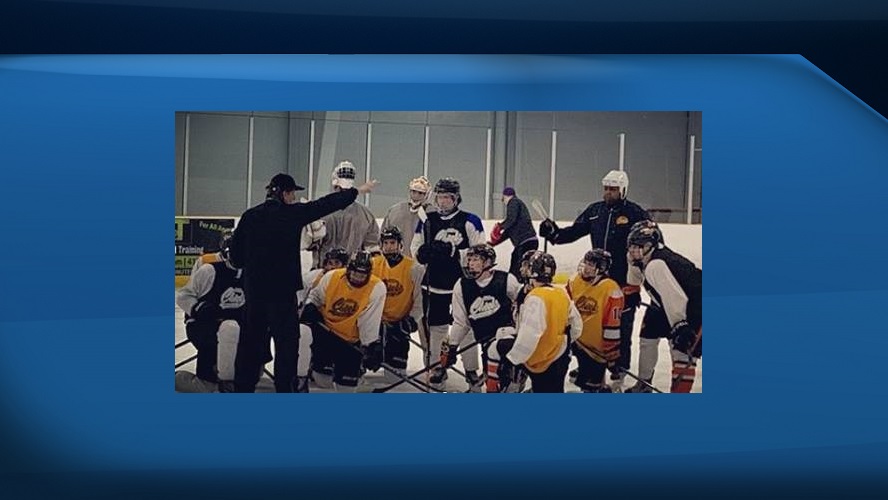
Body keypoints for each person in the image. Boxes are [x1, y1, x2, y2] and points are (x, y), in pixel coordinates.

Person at [229, 172, 377, 393]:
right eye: (293, 194)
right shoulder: (291, 214)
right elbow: (325, 204)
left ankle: (243, 389)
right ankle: (285, 391)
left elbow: (236, 257)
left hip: (255, 294)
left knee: (250, 343)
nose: (294, 199)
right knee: (286, 346)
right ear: (286, 194)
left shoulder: (249, 216)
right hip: (282, 294)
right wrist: (357, 191)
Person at [538, 169, 650, 391]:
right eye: (606, 188)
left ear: (623, 190)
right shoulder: (595, 211)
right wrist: (553, 233)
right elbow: (571, 233)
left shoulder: (636, 213)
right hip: (596, 279)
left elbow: (649, 244)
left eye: (613, 189)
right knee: (586, 322)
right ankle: (589, 364)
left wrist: (639, 276)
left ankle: (619, 366)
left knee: (622, 326)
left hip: (623, 280)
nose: (608, 193)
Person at [410, 177, 486, 389]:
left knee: (467, 327)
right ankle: (437, 367)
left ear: (456, 199)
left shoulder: (471, 220)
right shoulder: (427, 219)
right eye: (439, 197)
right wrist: (421, 254)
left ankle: (471, 370)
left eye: (447, 198)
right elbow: (415, 247)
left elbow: (481, 253)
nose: (442, 202)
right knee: (437, 328)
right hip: (433, 284)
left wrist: (454, 252)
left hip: (463, 286)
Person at [624, 220, 702, 393]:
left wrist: (680, 325)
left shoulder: (656, 264)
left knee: (682, 350)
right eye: (632, 246)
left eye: (639, 246)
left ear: (652, 245)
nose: (634, 250)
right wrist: (632, 291)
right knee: (647, 336)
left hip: (695, 308)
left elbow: (675, 297)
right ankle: (643, 383)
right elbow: (634, 273)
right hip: (663, 305)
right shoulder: (638, 258)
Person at [491, 252, 583, 393]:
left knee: (495, 348)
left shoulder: (535, 297)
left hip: (540, 358)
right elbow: (577, 327)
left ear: (532, 272)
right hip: (560, 355)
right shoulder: (561, 293)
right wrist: (559, 342)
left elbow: (530, 335)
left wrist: (512, 359)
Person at [300, 251, 387, 393]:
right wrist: (310, 307)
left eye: (362, 275)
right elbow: (315, 297)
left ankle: (355, 376)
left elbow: (369, 320)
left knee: (346, 389)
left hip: (350, 341)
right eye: (355, 273)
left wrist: (370, 346)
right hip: (326, 332)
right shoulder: (332, 277)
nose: (358, 278)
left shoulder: (376, 288)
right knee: (323, 382)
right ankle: (306, 372)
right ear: (348, 270)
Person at [441, 244, 522, 392]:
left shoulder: (507, 280)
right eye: (469, 259)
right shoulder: (462, 285)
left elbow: (523, 307)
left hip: (508, 340)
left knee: (507, 384)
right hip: (486, 344)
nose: (470, 263)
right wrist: (452, 345)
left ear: (487, 262)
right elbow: (461, 322)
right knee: (493, 387)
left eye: (476, 259)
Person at [175, 232, 245, 393]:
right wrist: (198, 309)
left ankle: (234, 375)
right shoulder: (208, 268)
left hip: (235, 327)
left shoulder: (252, 271)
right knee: (207, 385)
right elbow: (186, 295)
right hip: (206, 326)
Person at [371, 226, 424, 385]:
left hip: (399, 326)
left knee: (395, 379)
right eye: (385, 243)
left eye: (392, 243)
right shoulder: (373, 265)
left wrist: (412, 320)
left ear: (400, 245)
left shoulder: (414, 268)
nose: (389, 247)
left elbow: (420, 299)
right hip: (374, 325)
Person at [566, 249, 624, 393]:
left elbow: (612, 327)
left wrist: (611, 354)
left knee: (591, 387)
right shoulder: (574, 281)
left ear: (601, 268)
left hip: (596, 350)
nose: (586, 267)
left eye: (591, 265)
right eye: (586, 263)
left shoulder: (610, 289)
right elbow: (565, 308)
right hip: (576, 341)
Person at [293, 247, 349, 392]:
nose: (332, 267)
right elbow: (298, 299)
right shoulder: (313, 277)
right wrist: (304, 309)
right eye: (329, 262)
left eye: (336, 263)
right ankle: (304, 371)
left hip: (341, 326)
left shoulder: (350, 281)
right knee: (324, 381)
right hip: (317, 325)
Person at [311, 160, 381, 268]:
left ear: (335, 185)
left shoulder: (321, 211)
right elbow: (373, 248)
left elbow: (311, 244)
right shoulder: (366, 215)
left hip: (328, 272)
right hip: (352, 275)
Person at [488, 187, 539, 279]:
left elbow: (511, 220)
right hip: (530, 241)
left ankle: (513, 284)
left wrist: (500, 226)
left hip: (525, 242)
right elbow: (509, 230)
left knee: (517, 266)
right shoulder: (518, 205)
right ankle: (519, 282)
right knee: (521, 263)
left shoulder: (513, 202)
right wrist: (495, 243)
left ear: (504, 196)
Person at [381, 176, 434, 257]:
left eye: (420, 193)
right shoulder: (395, 211)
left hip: (421, 262)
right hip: (396, 261)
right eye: (413, 192)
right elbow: (382, 236)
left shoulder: (433, 214)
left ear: (427, 195)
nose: (416, 196)